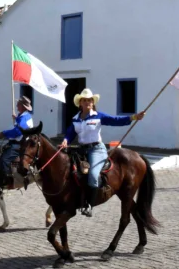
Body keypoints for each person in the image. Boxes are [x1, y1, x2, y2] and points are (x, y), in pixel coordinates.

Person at [60, 88, 145, 217]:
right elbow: (70, 133)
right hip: (81, 149)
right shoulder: (75, 119)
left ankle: (89, 204)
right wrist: (65, 140)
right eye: (84, 100)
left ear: (92, 103)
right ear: (80, 103)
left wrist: (133, 117)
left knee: (93, 175)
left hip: (96, 150)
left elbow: (115, 120)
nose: (87, 102)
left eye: (90, 100)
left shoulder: (98, 116)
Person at [0, 96, 34, 192]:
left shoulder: (24, 118)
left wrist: (4, 133)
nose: (16, 106)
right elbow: (19, 125)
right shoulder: (23, 117)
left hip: (21, 144)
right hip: (17, 142)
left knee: (4, 159)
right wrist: (17, 119)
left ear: (23, 106)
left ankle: (6, 182)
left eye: (18, 104)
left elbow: (17, 132)